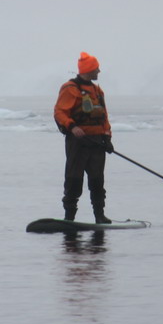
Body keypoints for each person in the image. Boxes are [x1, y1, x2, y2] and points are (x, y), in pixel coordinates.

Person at [53, 52, 113, 223]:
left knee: (97, 180)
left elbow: (104, 118)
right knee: (74, 179)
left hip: (97, 143)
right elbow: (60, 112)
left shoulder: (97, 91)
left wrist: (107, 138)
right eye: (96, 69)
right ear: (88, 70)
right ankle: (69, 218)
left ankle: (99, 216)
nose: (99, 72)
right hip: (78, 143)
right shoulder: (70, 89)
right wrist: (72, 127)